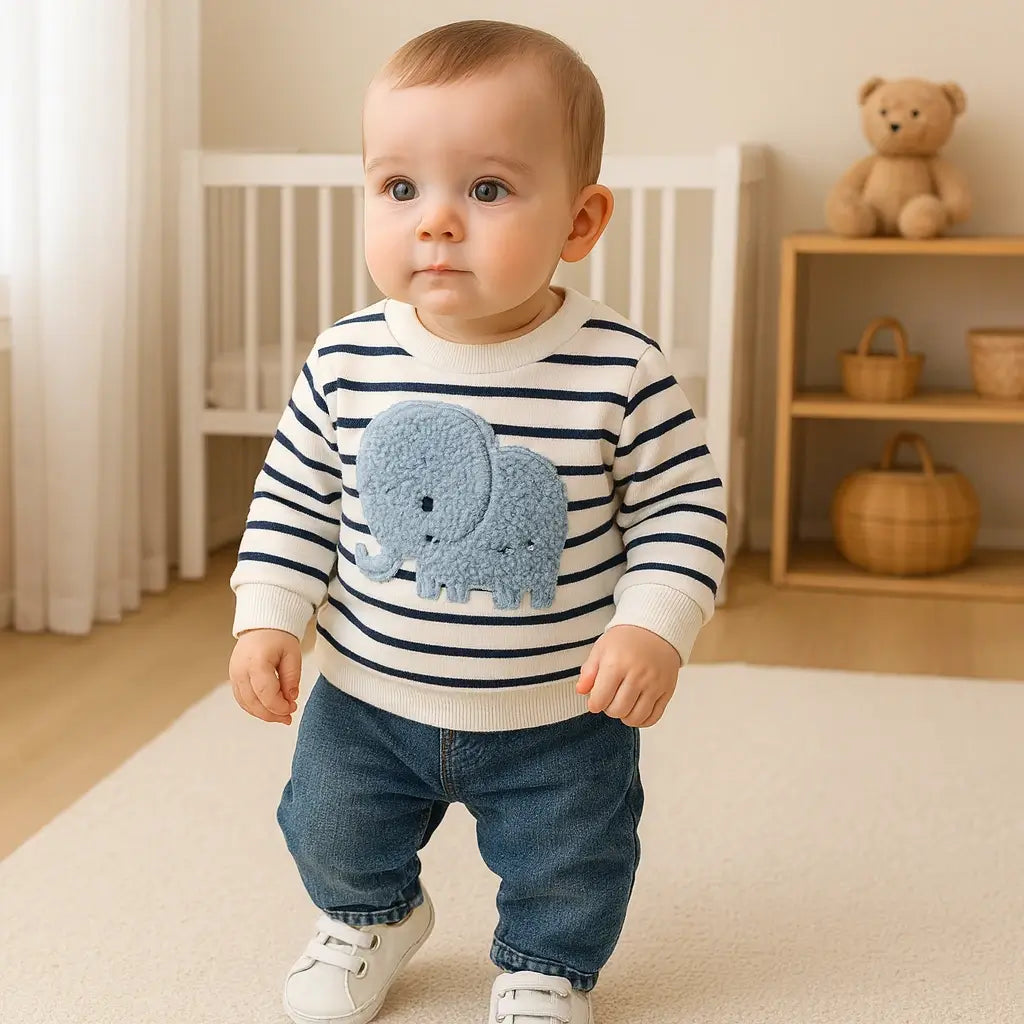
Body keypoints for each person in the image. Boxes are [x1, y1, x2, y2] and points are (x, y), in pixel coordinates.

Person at [228, 19, 727, 1024]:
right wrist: (269, 614)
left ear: (580, 222)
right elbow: (292, 498)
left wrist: (651, 623)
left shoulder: (617, 367)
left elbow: (681, 507)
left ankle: (545, 963)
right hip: (367, 696)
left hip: (558, 710)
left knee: (573, 852)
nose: (436, 222)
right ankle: (368, 915)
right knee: (328, 821)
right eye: (399, 188)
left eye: (486, 189)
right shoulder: (346, 359)